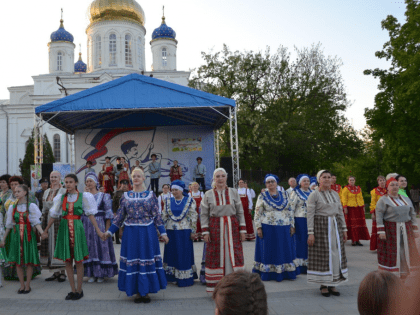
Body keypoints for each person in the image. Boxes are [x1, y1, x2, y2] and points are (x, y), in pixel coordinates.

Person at [103, 168, 169, 303]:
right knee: (133, 259)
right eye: (134, 176)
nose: (136, 178)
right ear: (131, 178)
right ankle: (138, 292)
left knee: (146, 259)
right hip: (131, 233)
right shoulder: (125, 196)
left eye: (139, 176)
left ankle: (146, 292)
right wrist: (109, 231)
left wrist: (163, 232)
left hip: (147, 232)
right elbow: (120, 216)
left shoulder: (151, 195)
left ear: (144, 178)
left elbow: (157, 215)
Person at [42, 174, 102, 301]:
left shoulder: (83, 197)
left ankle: (79, 290)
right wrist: (46, 230)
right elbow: (53, 215)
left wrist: (98, 230)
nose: (68, 184)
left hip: (77, 228)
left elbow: (91, 215)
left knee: (79, 260)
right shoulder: (61, 198)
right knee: (68, 261)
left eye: (70, 182)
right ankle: (72, 289)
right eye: (66, 182)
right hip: (64, 229)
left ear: (76, 183)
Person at [201, 168, 246, 292]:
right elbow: (204, 214)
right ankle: (217, 286)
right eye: (217, 176)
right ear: (214, 179)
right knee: (216, 254)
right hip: (215, 227)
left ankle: (235, 284)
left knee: (233, 253)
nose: (220, 179)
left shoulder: (233, 192)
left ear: (226, 178)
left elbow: (240, 211)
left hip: (232, 227)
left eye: (222, 176)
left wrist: (243, 230)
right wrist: (205, 231)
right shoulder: (208, 194)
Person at [307, 170, 348, 297]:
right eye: (324, 177)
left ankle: (333, 283)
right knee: (324, 254)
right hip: (321, 226)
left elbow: (340, 212)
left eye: (329, 177)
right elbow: (310, 214)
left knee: (336, 254)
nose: (327, 179)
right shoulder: (314, 195)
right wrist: (311, 232)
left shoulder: (335, 194)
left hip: (335, 226)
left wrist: (344, 229)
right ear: (319, 180)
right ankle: (324, 284)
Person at [253, 174, 297, 282]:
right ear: (265, 184)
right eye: (268, 182)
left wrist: (292, 225)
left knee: (283, 248)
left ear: (277, 183)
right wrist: (258, 227)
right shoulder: (262, 196)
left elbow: (290, 210)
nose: (270, 184)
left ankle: (285, 272)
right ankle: (268, 273)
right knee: (269, 249)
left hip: (284, 226)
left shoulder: (285, 194)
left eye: (272, 181)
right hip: (268, 227)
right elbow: (257, 212)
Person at [0, 184, 43, 294]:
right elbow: (9, 225)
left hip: (28, 236)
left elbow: (36, 222)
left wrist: (42, 233)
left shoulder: (31, 206)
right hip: (16, 236)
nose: (16, 193)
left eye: (19, 191)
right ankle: (22, 285)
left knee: (28, 261)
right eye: (15, 191)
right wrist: (3, 239)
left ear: (25, 192)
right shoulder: (12, 207)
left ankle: (28, 285)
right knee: (18, 262)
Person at [376, 176, 420, 278]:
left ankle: (405, 273)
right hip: (391, 229)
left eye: (396, 185)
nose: (395, 187)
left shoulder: (406, 198)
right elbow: (379, 215)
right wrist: (381, 231)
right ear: (387, 187)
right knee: (394, 252)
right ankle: (392, 275)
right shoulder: (383, 200)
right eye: (392, 185)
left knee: (406, 250)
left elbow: (412, 213)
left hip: (407, 228)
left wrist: (415, 228)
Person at [161, 180, 197, 287]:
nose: (174, 192)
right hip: (171, 231)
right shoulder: (167, 200)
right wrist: (162, 231)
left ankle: (184, 278)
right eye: (172, 190)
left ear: (181, 190)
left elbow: (193, 216)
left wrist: (193, 231)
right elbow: (164, 216)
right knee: (172, 252)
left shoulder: (189, 200)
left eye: (176, 190)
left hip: (185, 232)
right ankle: (171, 277)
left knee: (183, 253)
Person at [83, 172, 118, 283]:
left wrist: (107, 230)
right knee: (90, 248)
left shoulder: (104, 196)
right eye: (87, 181)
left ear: (96, 183)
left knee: (101, 247)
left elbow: (108, 215)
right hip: (87, 225)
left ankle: (102, 273)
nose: (89, 183)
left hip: (100, 223)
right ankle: (92, 273)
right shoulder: (84, 196)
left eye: (91, 181)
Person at [40, 171, 67, 282]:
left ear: (60, 178)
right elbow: (44, 208)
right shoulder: (46, 192)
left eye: (55, 177)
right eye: (51, 177)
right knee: (50, 246)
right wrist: (42, 221)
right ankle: (55, 272)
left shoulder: (63, 191)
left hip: (59, 221)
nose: (53, 179)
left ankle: (62, 272)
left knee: (59, 245)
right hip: (47, 220)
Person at [289, 174, 313, 274]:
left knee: (310, 242)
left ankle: (309, 264)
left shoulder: (313, 192)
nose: (306, 183)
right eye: (304, 181)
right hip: (300, 220)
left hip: (311, 220)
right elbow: (291, 209)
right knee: (300, 242)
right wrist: (292, 224)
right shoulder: (295, 193)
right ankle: (300, 266)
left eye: (308, 181)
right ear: (300, 183)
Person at [341, 176, 370, 246]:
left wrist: (363, 206)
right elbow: (343, 198)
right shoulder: (345, 189)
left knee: (359, 224)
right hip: (351, 208)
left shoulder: (358, 188)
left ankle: (358, 240)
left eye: (353, 180)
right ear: (348, 181)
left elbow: (361, 198)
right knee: (353, 224)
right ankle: (353, 240)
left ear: (355, 181)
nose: (352, 181)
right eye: (350, 180)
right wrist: (345, 207)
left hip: (359, 208)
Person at [369, 176, 387, 251]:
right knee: (378, 229)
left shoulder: (388, 190)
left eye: (383, 180)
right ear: (378, 182)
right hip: (378, 212)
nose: (382, 182)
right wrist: (373, 212)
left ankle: (386, 246)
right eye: (380, 180)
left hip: (387, 212)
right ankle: (378, 246)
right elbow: (373, 202)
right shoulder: (374, 191)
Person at [112, 179, 130, 244]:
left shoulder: (129, 193)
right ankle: (117, 239)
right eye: (123, 185)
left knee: (126, 226)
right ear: (121, 185)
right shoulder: (117, 193)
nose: (125, 186)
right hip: (118, 212)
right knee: (117, 225)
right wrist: (114, 212)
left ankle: (125, 238)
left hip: (127, 213)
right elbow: (114, 203)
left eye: (126, 185)